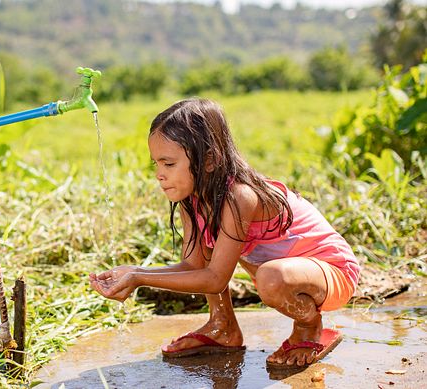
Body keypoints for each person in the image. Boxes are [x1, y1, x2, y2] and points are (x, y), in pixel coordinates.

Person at [89, 98, 360, 369]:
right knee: (235, 260)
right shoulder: (192, 200)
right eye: (156, 164)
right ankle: (223, 326)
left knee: (270, 277)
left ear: (209, 160)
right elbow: (194, 266)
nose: (159, 174)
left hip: (331, 273)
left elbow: (215, 279)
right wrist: (134, 272)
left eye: (169, 164)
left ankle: (308, 326)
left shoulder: (240, 196)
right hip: (285, 275)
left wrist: (139, 278)